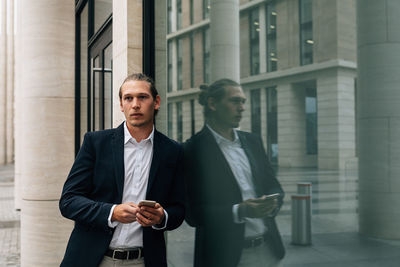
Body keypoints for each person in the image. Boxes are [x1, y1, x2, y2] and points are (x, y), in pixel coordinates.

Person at [59, 73, 185, 267]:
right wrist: (111, 212)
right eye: (128, 98)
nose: (135, 104)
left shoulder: (173, 151)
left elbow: (179, 208)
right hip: (93, 259)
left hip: (144, 260)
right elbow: (68, 201)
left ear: (156, 102)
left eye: (142, 97)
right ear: (121, 105)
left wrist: (162, 217)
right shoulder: (96, 143)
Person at [184, 79, 285, 267]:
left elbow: (273, 184)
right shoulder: (192, 149)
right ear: (213, 104)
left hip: (268, 250)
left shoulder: (253, 141)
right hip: (224, 257)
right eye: (235, 101)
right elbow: (193, 213)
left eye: (243, 102)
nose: (242, 108)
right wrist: (240, 210)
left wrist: (272, 201)